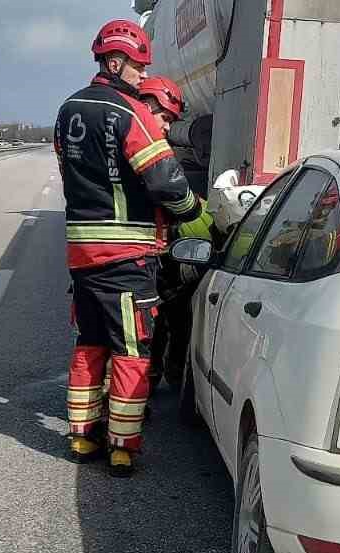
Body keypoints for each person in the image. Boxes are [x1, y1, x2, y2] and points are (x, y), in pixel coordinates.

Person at [55, 20, 213, 476]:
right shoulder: (130, 114)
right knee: (131, 350)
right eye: (140, 67)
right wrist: (191, 209)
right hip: (126, 255)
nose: (143, 76)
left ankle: (83, 435)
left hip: (81, 253)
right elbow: (165, 179)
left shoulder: (67, 111)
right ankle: (122, 444)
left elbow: (73, 176)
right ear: (117, 61)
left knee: (89, 343)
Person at [135, 75, 208, 388]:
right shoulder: (148, 155)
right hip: (144, 259)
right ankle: (159, 376)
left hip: (149, 257)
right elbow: (178, 203)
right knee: (166, 317)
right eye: (164, 119)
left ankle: (153, 375)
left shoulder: (139, 149)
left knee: (165, 317)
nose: (166, 128)